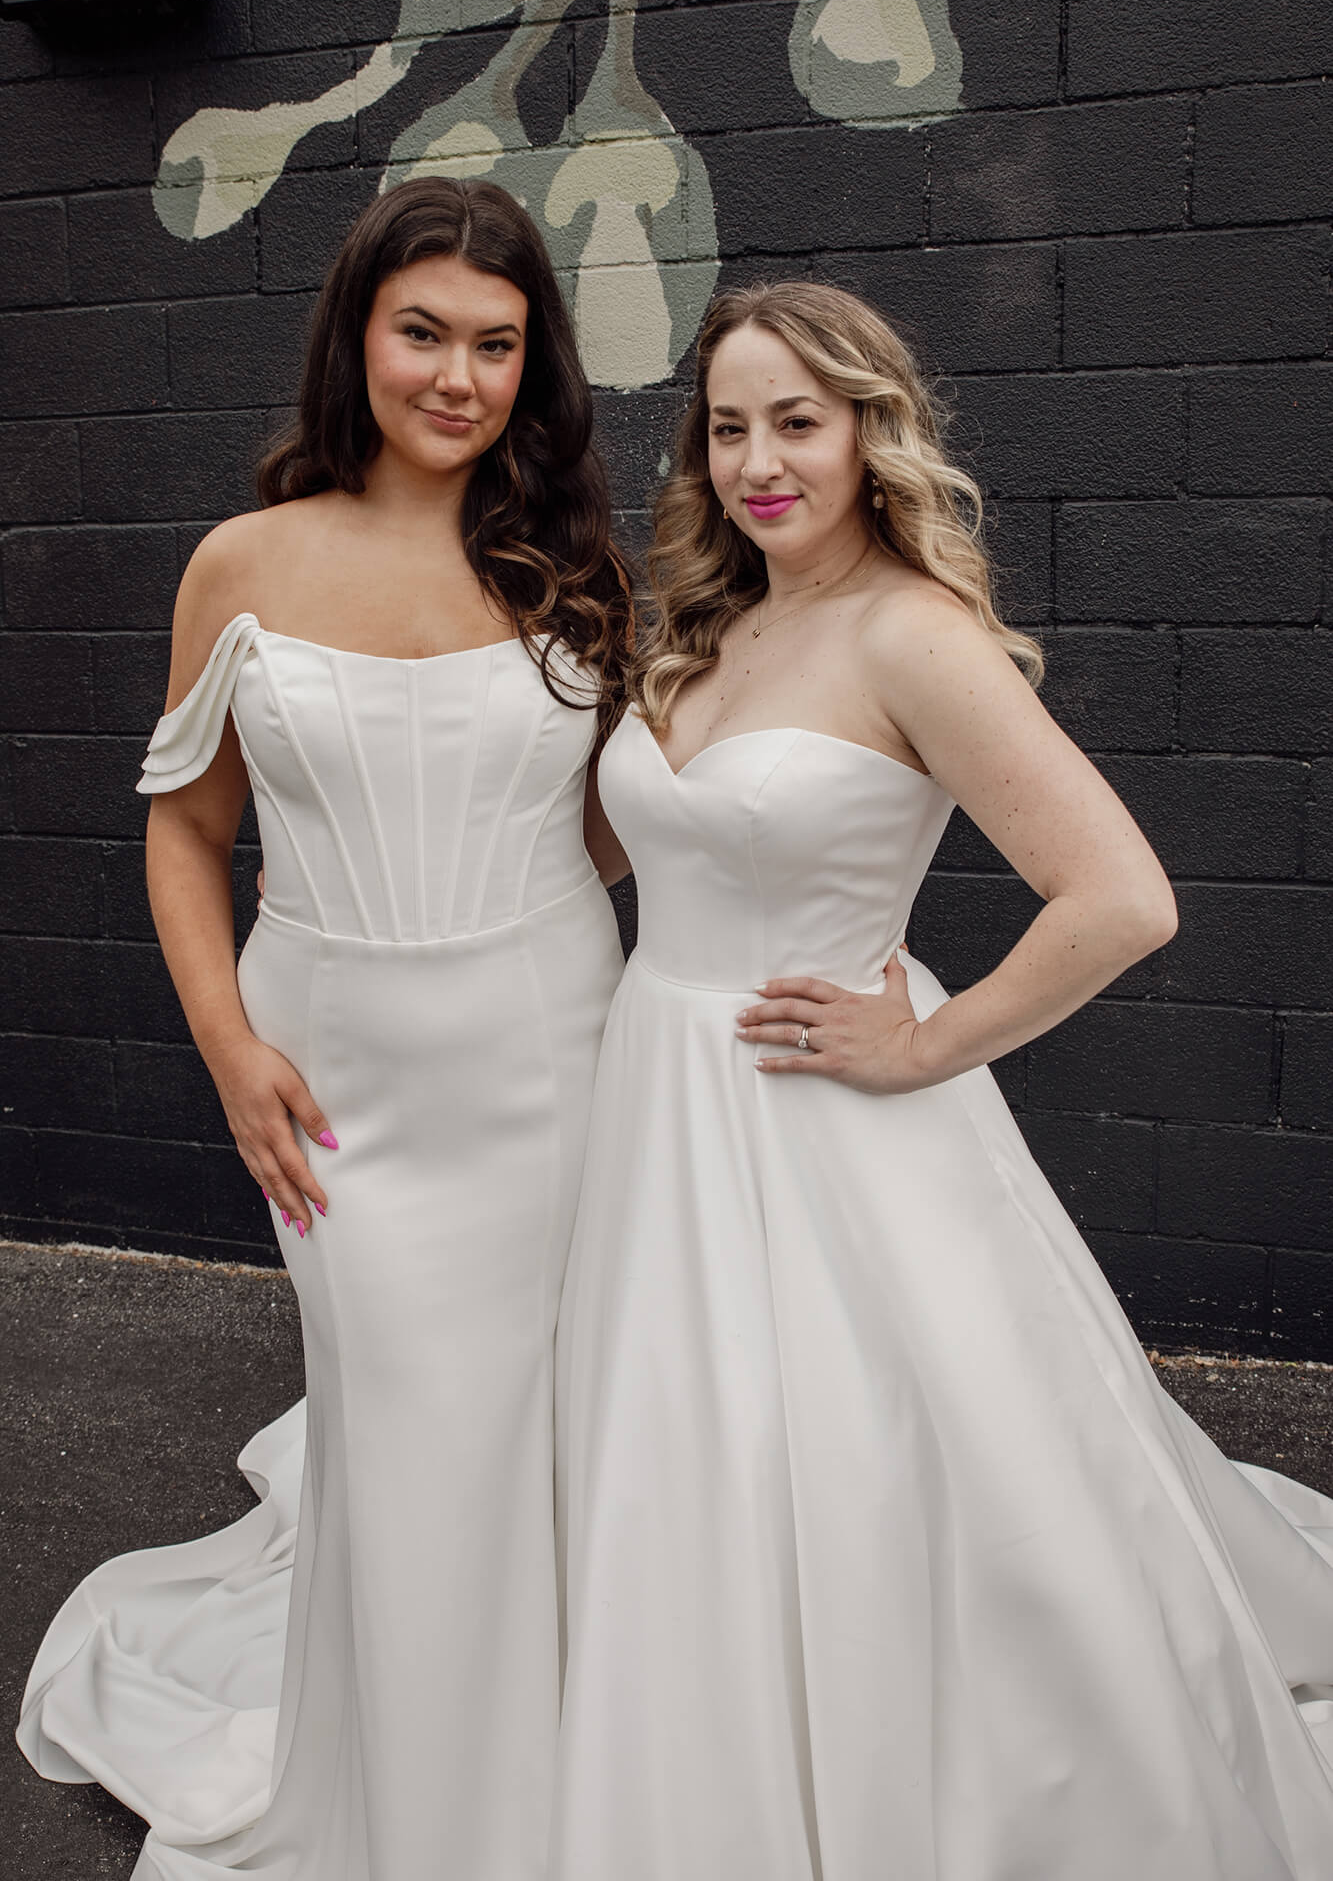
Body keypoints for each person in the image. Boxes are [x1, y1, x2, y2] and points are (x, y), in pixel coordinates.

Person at [551, 280, 1333, 1880]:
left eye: (798, 421)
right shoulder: (705, 618)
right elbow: (628, 844)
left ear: (866, 430)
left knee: (860, 1465)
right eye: (729, 426)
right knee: (683, 1443)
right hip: (657, 1097)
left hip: (826, 1113)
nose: (761, 459)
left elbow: (1122, 898)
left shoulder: (914, 632)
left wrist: (917, 1039)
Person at [18, 178, 631, 1881]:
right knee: (414, 1415)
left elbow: (616, 827)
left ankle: (576, 1743)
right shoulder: (245, 564)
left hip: (551, 1044)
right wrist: (226, 1050)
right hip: (333, 1069)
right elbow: (183, 827)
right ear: (355, 333)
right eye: (422, 331)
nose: (458, 375)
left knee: (545, 1412)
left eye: (497, 344)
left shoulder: (576, 560)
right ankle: (422, 1796)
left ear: (536, 364)